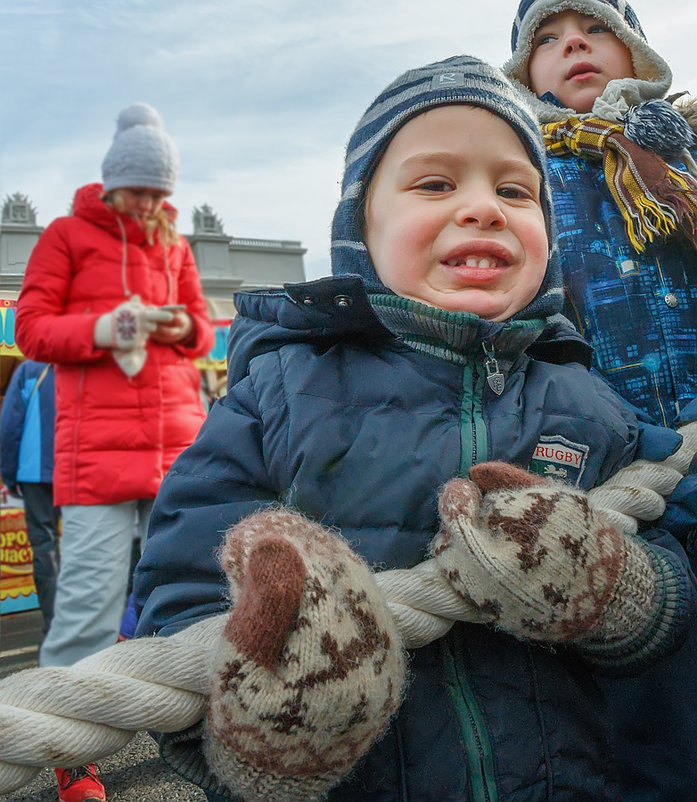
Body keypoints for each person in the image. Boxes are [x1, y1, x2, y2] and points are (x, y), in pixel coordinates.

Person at [133, 56, 696, 802]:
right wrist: (262, 729)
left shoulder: (588, 398)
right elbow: (181, 590)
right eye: (435, 183)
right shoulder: (280, 390)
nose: (483, 208)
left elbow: (669, 577)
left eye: (513, 190)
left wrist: (623, 592)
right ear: (359, 229)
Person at [503, 3, 697, 798]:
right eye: (543, 39)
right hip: (622, 490)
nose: (569, 44)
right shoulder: (521, 176)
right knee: (651, 725)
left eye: (590, 27)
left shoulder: (685, 148)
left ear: (637, 49)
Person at [15, 102, 214, 802]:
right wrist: (106, 325)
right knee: (88, 605)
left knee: (199, 595)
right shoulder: (66, 234)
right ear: (111, 183)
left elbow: (201, 341)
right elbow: (33, 331)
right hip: (96, 454)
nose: (150, 204)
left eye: (160, 192)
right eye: (138, 190)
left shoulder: (175, 246)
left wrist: (180, 321)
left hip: (176, 443)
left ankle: (208, 728)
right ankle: (72, 757)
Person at [0, 359, 59, 633]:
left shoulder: (29, 369)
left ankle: (54, 625)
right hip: (77, 472)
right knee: (82, 547)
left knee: (44, 548)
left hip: (35, 473)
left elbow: (10, 425)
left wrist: (10, 475)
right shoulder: (86, 366)